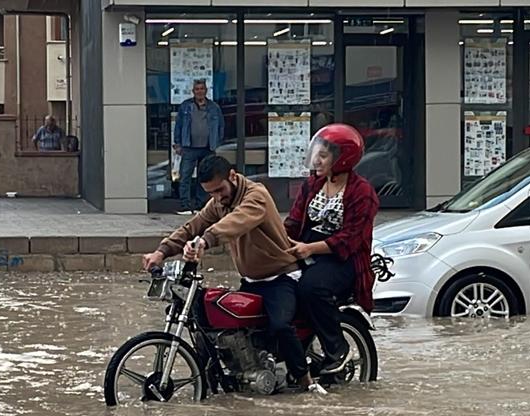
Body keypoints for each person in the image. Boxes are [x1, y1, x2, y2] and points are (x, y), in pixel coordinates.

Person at [141, 155, 320, 392]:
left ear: (233, 176)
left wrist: (205, 241)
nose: (217, 197)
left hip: (281, 276)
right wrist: (161, 252)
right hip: (251, 280)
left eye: (219, 190)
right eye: (211, 193)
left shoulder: (256, 196)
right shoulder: (219, 203)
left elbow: (236, 222)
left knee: (280, 326)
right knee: (217, 325)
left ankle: (305, 380)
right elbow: (194, 225)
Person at [284, 124, 378, 375]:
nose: (317, 160)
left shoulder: (363, 192)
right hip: (308, 247)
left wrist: (309, 249)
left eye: (324, 156)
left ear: (342, 159)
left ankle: (337, 349)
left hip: (342, 259)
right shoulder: (311, 184)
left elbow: (350, 240)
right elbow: (293, 222)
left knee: (311, 288)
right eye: (317, 153)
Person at [172, 79, 224, 215]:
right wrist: (177, 143)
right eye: (197, 89)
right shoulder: (185, 106)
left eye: (202, 89)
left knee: (205, 177)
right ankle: (185, 205)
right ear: (193, 91)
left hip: (208, 147)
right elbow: (178, 126)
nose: (199, 91)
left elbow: (221, 127)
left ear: (206, 90)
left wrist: (217, 142)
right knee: (185, 177)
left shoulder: (214, 107)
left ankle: (201, 205)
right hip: (189, 147)